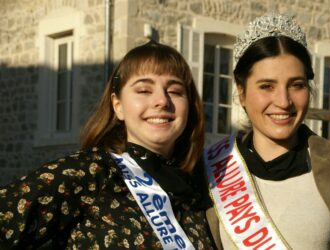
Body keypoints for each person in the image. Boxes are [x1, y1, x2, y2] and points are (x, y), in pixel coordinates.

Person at [203, 13, 330, 250]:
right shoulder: (209, 170)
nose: (284, 101)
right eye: (267, 86)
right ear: (241, 91)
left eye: (297, 85)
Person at [0, 41, 216, 249]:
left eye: (176, 91)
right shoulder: (89, 173)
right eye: (144, 90)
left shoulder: (198, 192)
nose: (162, 100)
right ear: (118, 105)